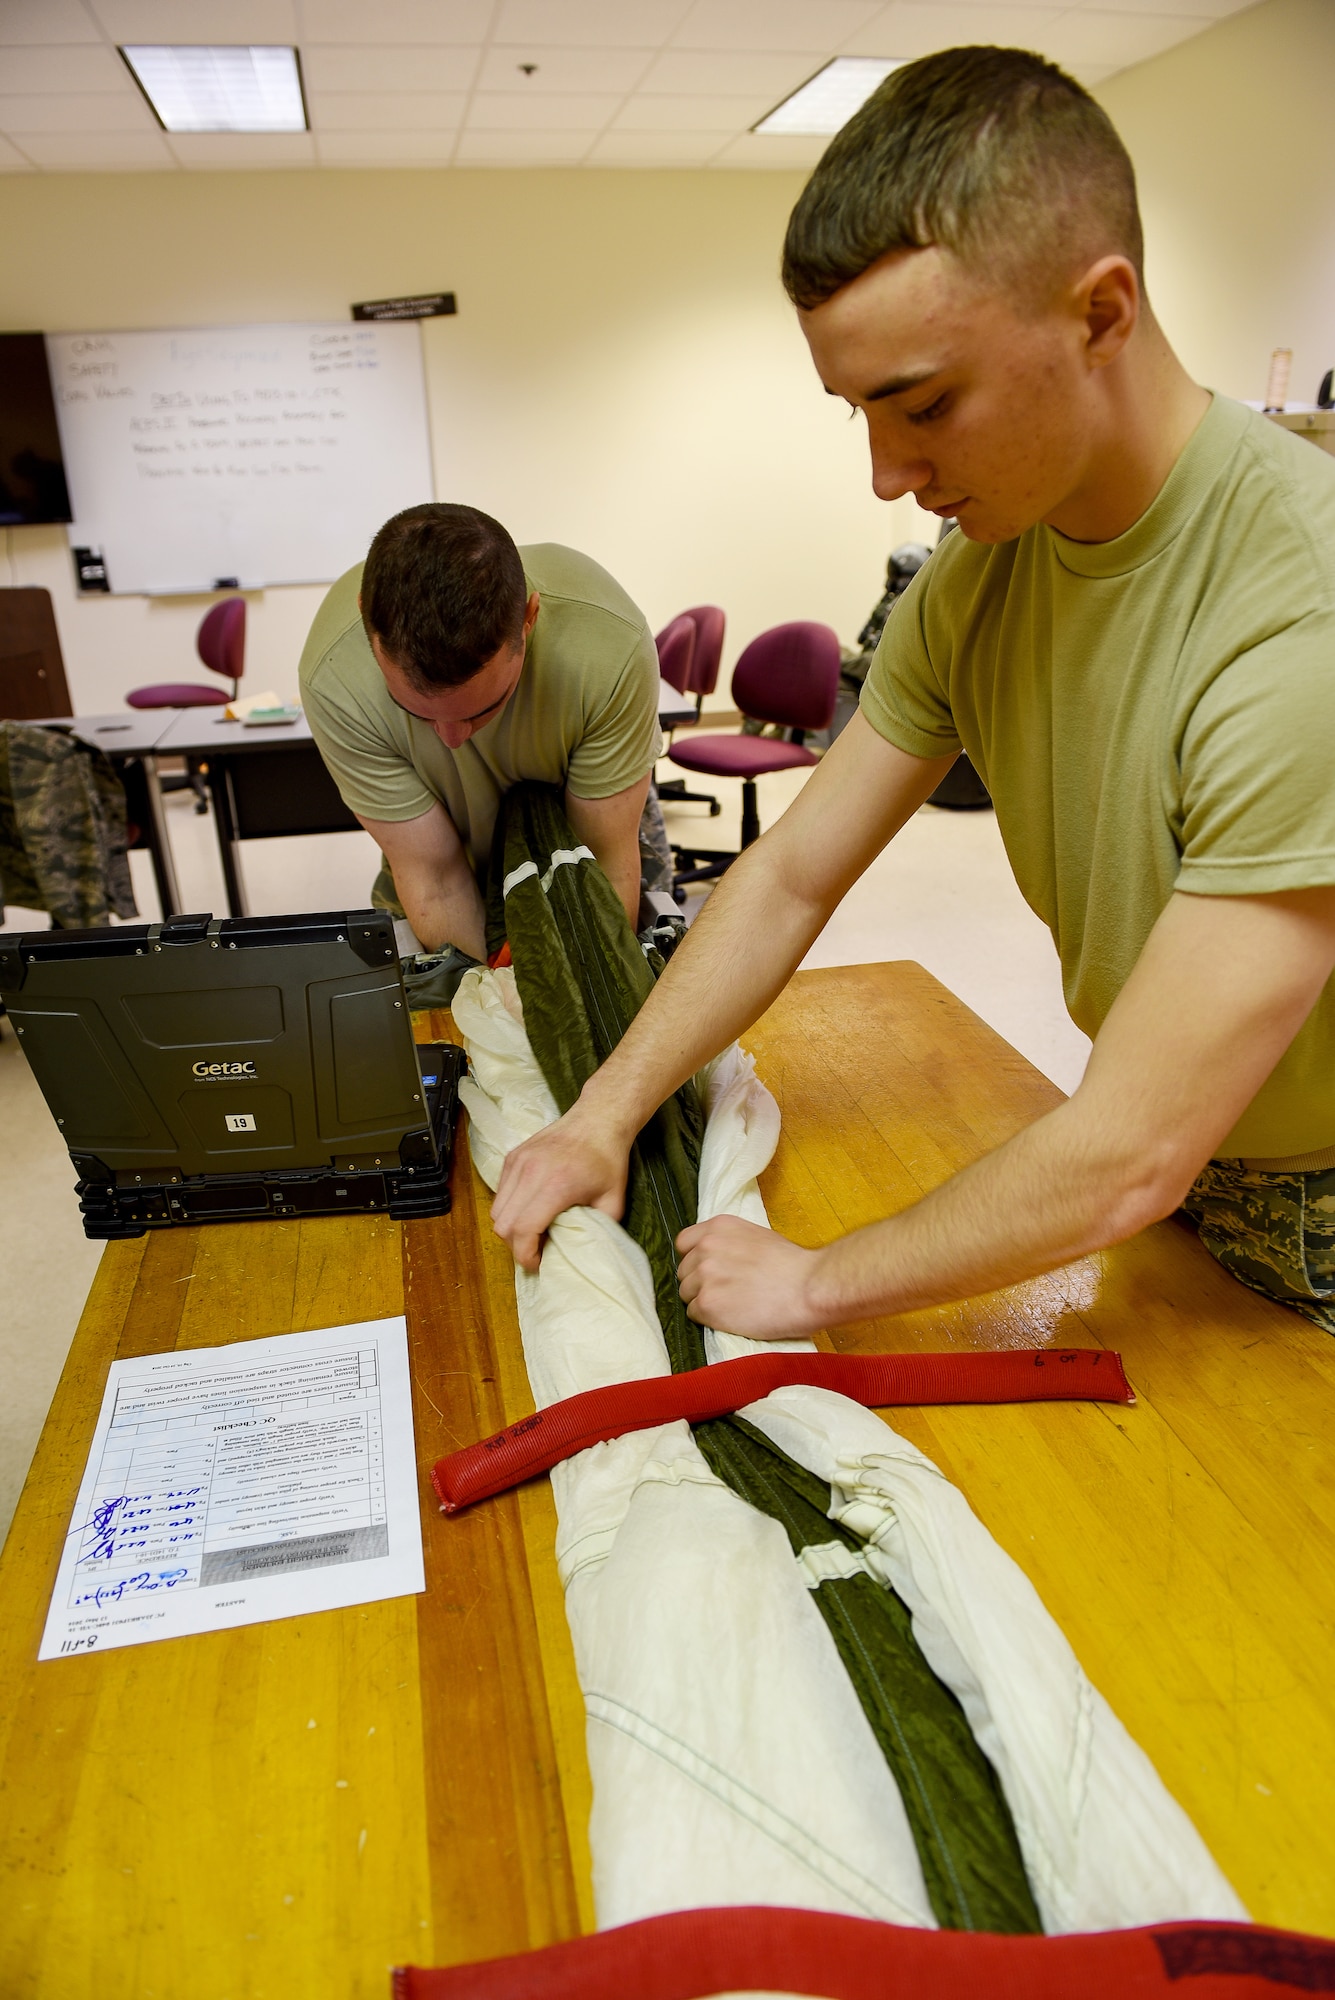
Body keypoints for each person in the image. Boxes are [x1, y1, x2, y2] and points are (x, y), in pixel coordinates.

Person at [490, 45, 1335, 1340]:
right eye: (856, 416)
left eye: (924, 406)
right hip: (1177, 1160)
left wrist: (817, 1281)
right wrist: (604, 1112)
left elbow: (1127, 1150)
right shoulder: (977, 573)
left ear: (1099, 315)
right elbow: (788, 874)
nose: (887, 473)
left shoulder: (1297, 611)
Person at [299, 504, 672, 974]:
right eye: (416, 712)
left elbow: (601, 855)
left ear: (529, 618)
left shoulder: (607, 648)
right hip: (439, 846)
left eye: (482, 711)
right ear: (365, 621)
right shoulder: (335, 677)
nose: (452, 741)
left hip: (587, 831)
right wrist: (494, 997)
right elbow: (433, 876)